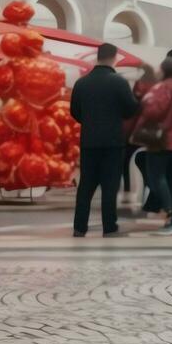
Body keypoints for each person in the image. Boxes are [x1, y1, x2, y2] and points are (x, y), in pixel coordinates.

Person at [71, 43, 139, 237]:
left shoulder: (82, 83)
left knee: (86, 185)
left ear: (98, 57)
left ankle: (79, 227)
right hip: (112, 142)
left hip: (89, 142)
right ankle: (109, 227)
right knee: (110, 186)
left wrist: (90, 122)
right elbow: (131, 109)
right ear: (113, 58)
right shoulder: (119, 82)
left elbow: (74, 111)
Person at [133, 57, 172, 235]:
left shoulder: (164, 86)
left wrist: (143, 103)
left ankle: (169, 212)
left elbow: (153, 109)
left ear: (165, 70)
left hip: (162, 140)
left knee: (155, 177)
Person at [123, 63, 156, 203]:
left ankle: (129, 191)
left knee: (127, 160)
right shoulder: (157, 85)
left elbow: (134, 103)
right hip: (151, 132)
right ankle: (148, 192)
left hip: (135, 130)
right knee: (147, 162)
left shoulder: (142, 84)